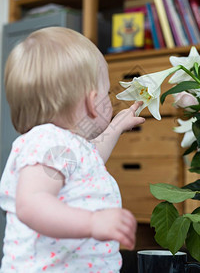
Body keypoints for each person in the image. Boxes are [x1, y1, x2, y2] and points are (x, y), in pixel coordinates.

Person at [0, 27, 145, 272]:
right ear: (91, 101)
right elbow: (31, 203)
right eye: (107, 92)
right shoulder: (47, 141)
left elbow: (92, 157)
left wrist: (116, 127)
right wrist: (92, 221)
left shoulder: (69, 146)